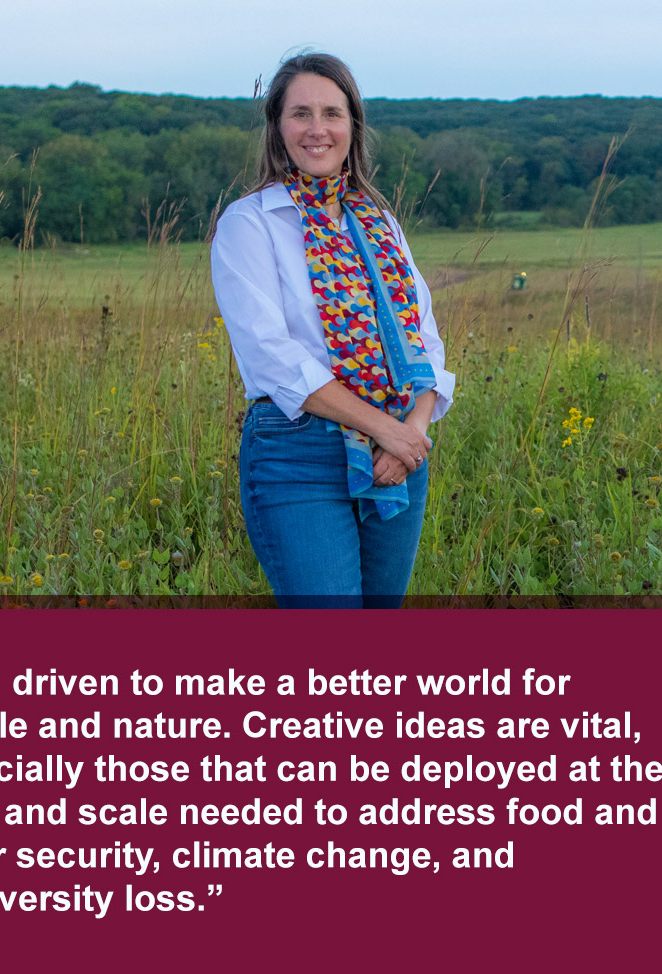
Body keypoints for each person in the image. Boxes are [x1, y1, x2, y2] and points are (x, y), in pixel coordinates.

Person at [210, 52, 455, 608]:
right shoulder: (250, 223)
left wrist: (409, 434)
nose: (317, 129)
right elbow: (271, 356)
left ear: (353, 126)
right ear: (277, 127)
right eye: (300, 114)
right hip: (299, 453)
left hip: (399, 456)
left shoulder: (377, 220)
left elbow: (425, 338)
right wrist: (384, 429)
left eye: (332, 113)